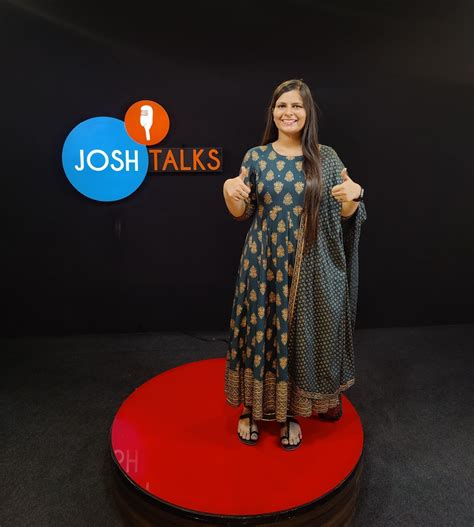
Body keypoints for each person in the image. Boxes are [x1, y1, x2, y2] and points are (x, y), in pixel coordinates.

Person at [222, 79, 367, 450]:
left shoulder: (326, 157)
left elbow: (345, 211)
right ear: (273, 112)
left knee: (294, 338)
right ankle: (250, 409)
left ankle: (289, 414)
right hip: (262, 262)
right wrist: (228, 191)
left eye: (297, 106)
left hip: (310, 265)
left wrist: (354, 196)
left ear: (308, 113)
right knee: (259, 332)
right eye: (282, 105)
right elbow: (241, 212)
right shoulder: (256, 157)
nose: (289, 112)